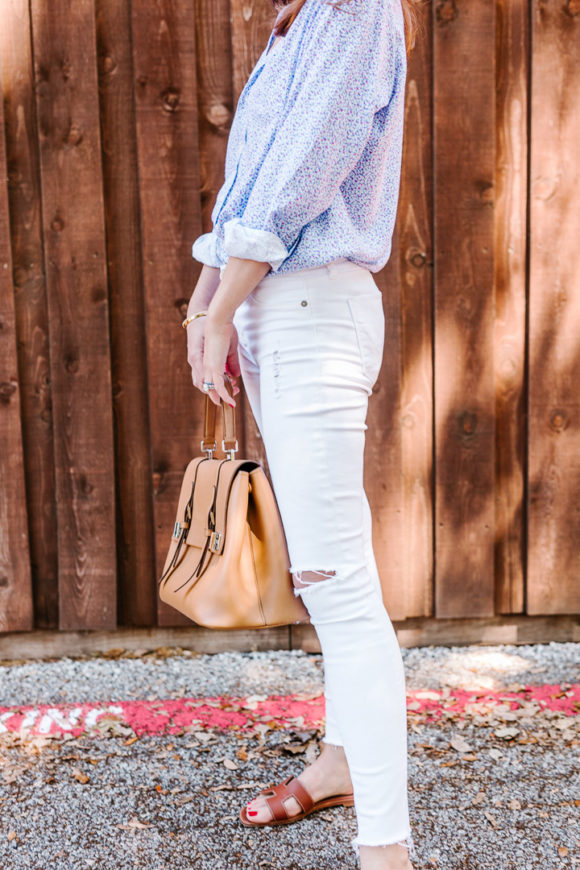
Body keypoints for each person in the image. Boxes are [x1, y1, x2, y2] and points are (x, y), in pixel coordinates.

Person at [184, 1, 420, 867]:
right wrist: (206, 306)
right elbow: (251, 176)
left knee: (340, 588)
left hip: (312, 305)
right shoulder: (302, 18)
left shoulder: (355, 8)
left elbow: (303, 175)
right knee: (327, 580)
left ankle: (386, 853)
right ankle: (341, 763)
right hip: (278, 306)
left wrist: (221, 307)